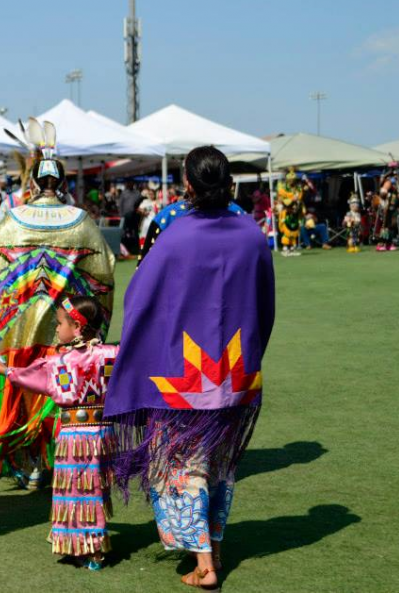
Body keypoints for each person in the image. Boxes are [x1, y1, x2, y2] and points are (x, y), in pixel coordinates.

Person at [105, 146, 275, 591]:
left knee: (184, 467)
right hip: (236, 371)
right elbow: (264, 304)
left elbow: (141, 299)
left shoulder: (176, 236)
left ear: (188, 185)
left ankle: (205, 565)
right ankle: (213, 549)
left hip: (184, 377)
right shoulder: (252, 234)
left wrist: (139, 353)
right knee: (220, 465)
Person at [0, 119, 115, 489]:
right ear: (63, 183)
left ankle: (33, 465)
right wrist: (93, 323)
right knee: (62, 387)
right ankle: (63, 460)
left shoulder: (12, 221)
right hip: (66, 326)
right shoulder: (81, 221)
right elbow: (103, 276)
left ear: (34, 182)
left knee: (25, 386)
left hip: (18, 328)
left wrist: (7, 307)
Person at [0, 296, 117, 571]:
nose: (56, 329)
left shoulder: (62, 363)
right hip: (101, 436)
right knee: (94, 490)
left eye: (59, 323)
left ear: (77, 327)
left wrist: (4, 369)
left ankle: (88, 549)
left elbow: (33, 377)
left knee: (75, 491)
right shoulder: (110, 355)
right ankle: (90, 547)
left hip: (74, 439)